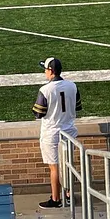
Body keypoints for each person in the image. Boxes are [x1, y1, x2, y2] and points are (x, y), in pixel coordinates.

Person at [33, 57, 82, 209]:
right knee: (68, 165)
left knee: (54, 167)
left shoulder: (45, 90)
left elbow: (38, 113)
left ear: (51, 71)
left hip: (52, 132)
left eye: (46, 70)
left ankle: (55, 199)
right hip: (68, 130)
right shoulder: (72, 86)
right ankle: (69, 195)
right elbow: (78, 107)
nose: (44, 72)